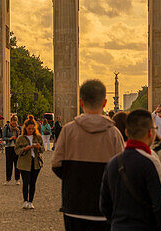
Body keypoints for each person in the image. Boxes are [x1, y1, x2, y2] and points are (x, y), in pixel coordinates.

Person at [51, 79, 125, 230]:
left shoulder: (68, 130)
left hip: (74, 205)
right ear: (104, 103)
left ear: (81, 102)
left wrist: (73, 178)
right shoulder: (114, 134)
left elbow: (56, 164)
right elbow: (122, 170)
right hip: (105, 208)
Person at [100, 109, 161, 230]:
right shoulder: (150, 161)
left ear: (126, 132)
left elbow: (104, 205)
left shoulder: (113, 163)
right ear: (151, 133)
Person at [15, 116, 46, 209]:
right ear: (25, 128)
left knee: (33, 183)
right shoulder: (21, 138)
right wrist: (25, 148)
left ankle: (31, 201)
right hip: (24, 163)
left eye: (33, 129)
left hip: (36, 162)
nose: (31, 130)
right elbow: (17, 151)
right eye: (29, 129)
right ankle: (25, 201)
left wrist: (38, 147)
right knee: (26, 182)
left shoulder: (38, 137)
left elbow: (43, 149)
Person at [3, 116, 21, 184]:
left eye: (15, 123)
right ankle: (8, 179)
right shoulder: (7, 128)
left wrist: (17, 138)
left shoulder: (19, 128)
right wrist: (10, 138)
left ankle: (17, 179)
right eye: (13, 123)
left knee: (17, 164)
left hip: (16, 147)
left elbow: (21, 137)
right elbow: (3, 137)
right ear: (11, 122)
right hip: (9, 146)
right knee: (8, 164)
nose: (14, 125)